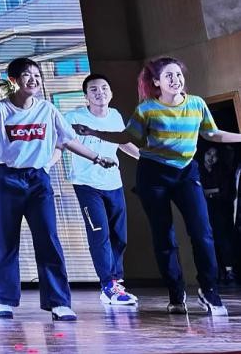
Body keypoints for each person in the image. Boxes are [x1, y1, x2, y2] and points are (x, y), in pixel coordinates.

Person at [75, 57, 241, 316]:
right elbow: (127, 137)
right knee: (164, 236)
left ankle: (209, 290)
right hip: (154, 174)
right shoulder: (147, 109)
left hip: (186, 172)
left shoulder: (196, 104)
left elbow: (212, 133)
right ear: (156, 82)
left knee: (202, 233)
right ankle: (176, 293)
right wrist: (94, 132)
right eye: (168, 76)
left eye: (178, 74)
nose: (175, 80)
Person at [0, 57, 116, 322]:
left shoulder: (47, 110)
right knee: (6, 241)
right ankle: (3, 299)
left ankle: (59, 302)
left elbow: (68, 140)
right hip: (3, 179)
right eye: (26, 75)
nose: (33, 79)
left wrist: (97, 158)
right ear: (13, 81)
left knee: (48, 239)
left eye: (37, 75)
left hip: (37, 180)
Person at [57, 74, 140, 306]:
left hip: (113, 183)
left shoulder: (115, 115)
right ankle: (108, 284)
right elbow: (63, 142)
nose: (100, 93)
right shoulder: (73, 117)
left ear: (111, 93)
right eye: (93, 89)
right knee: (99, 233)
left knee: (119, 235)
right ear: (85, 96)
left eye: (104, 88)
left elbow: (122, 141)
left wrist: (146, 159)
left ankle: (115, 281)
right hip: (86, 184)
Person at [198, 144, 238, 285]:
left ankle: (228, 270)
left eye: (215, 155)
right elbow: (199, 191)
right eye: (209, 154)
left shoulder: (221, 171)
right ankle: (215, 271)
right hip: (204, 210)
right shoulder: (197, 169)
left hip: (220, 210)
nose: (211, 158)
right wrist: (213, 191)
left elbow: (225, 192)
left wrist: (208, 192)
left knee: (222, 238)